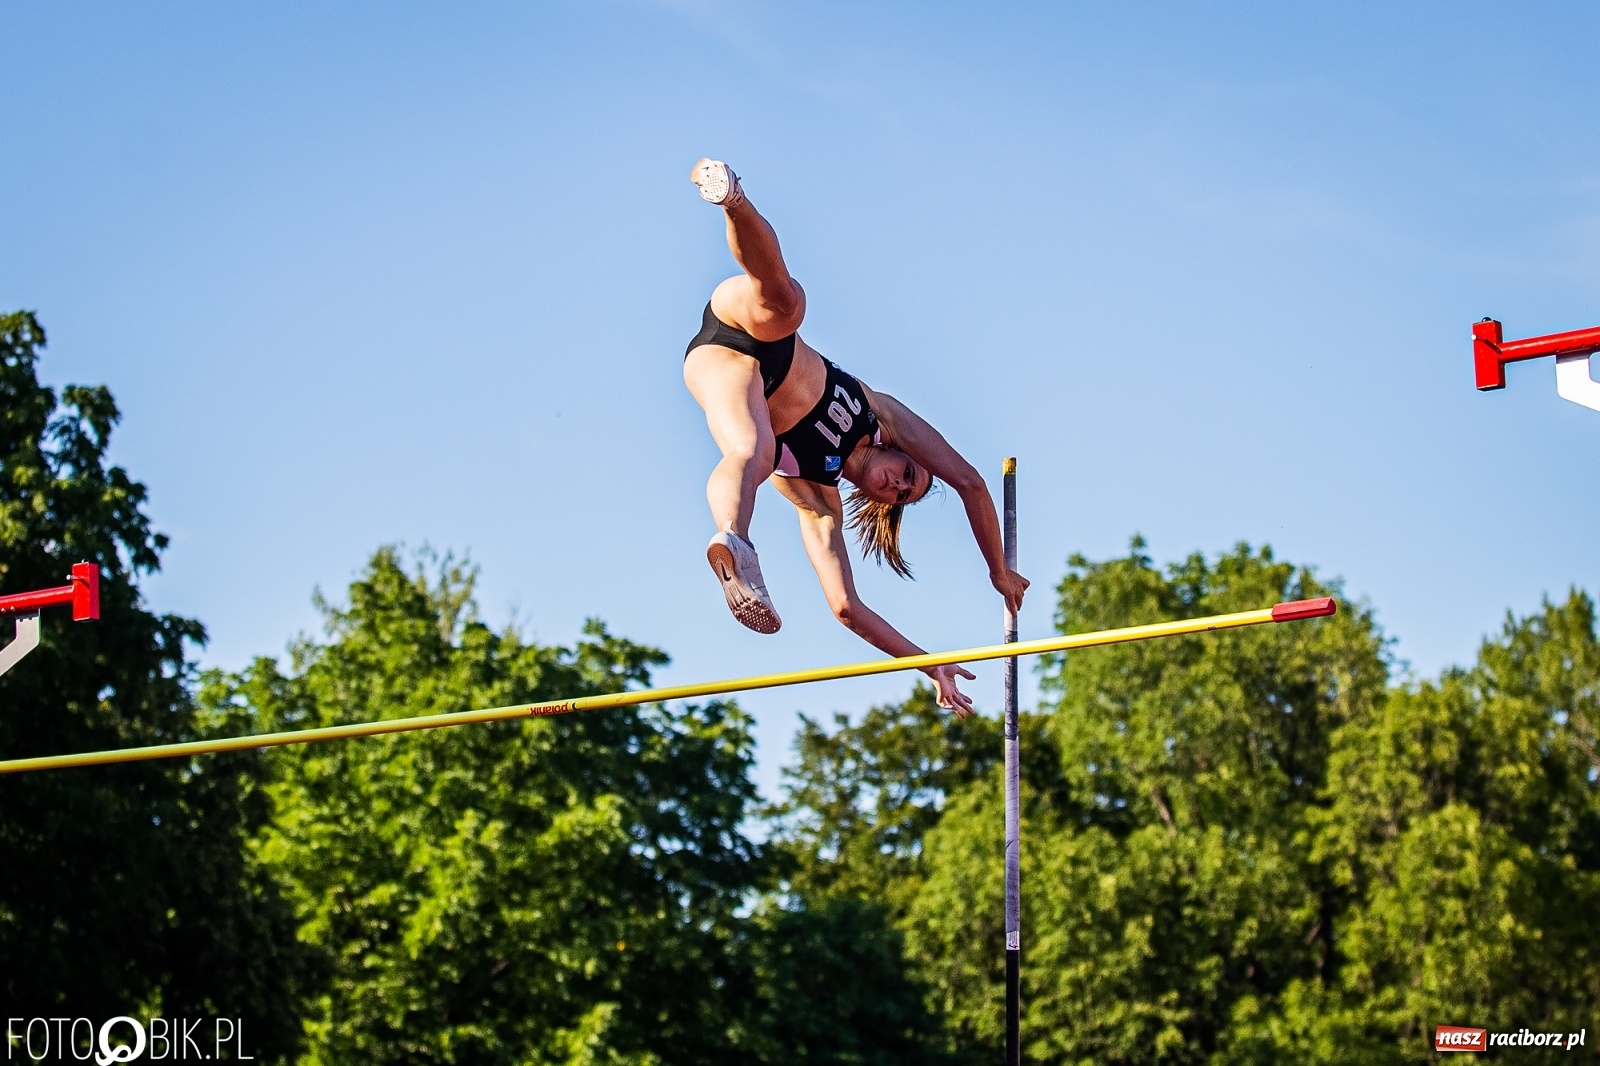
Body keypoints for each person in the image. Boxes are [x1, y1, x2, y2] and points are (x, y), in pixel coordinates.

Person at [682, 159, 1029, 716]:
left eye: (898, 496)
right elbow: (969, 482)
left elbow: (846, 606)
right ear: (899, 451)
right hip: (752, 326)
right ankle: (731, 198)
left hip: (721, 365)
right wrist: (997, 570)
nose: (898, 486)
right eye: (908, 476)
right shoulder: (880, 413)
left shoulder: (817, 497)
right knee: (788, 305)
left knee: (753, 452)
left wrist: (928, 664)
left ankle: (732, 540)